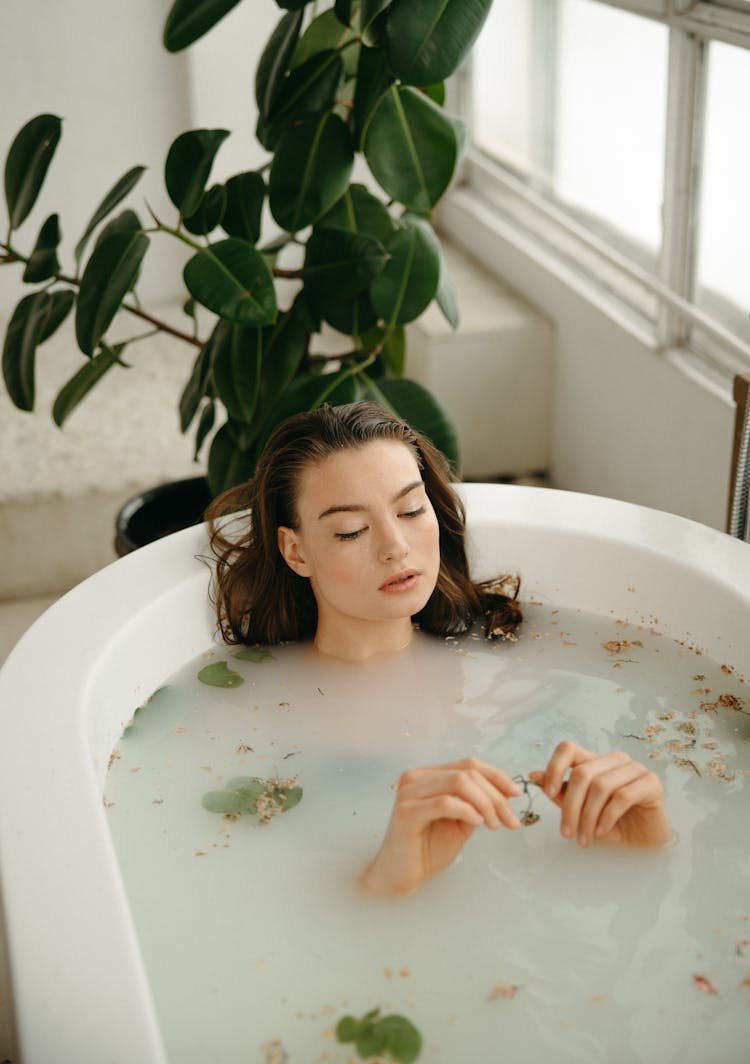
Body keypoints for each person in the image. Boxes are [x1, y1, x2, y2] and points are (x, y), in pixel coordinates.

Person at [207, 401, 671, 895]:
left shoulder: (512, 653)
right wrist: (381, 883)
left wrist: (646, 839)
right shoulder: (251, 720)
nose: (395, 546)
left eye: (410, 510)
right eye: (351, 530)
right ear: (296, 551)